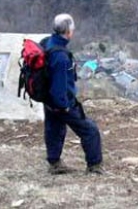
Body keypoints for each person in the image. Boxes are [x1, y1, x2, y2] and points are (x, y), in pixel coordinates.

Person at [42, 13, 103, 175]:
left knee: (54, 129)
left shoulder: (48, 43)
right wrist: (64, 107)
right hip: (60, 101)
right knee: (89, 130)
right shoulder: (61, 57)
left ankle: (54, 163)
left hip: (47, 98)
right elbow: (59, 86)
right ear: (68, 32)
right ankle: (94, 166)